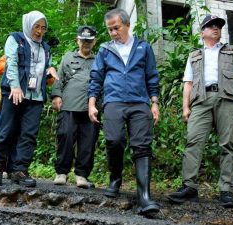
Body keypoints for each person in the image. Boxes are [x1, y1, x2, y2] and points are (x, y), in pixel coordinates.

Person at [167, 15, 233, 208]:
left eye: (218, 26)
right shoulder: (194, 55)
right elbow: (188, 83)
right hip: (200, 101)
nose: (216, 28)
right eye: (211, 26)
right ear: (202, 32)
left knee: (228, 144)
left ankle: (226, 190)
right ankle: (189, 188)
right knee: (193, 142)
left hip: (227, 99)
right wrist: (186, 107)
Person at [88, 8, 160, 215]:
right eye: (109, 29)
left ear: (127, 25)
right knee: (114, 140)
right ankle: (115, 178)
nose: (112, 33)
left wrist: (154, 103)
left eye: (116, 28)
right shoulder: (104, 49)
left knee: (142, 145)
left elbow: (152, 76)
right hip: (113, 102)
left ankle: (144, 197)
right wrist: (92, 104)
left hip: (139, 103)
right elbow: (96, 78)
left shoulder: (143, 47)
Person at [0, 10, 57, 188]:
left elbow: (45, 69)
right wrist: (15, 86)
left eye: (43, 28)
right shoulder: (15, 39)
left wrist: (51, 72)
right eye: (36, 26)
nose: (39, 31)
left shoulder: (46, 48)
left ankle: (19, 170)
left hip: (36, 97)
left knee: (28, 134)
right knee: (6, 130)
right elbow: (11, 63)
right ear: (28, 25)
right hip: (14, 93)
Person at [51, 25, 99, 189]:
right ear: (77, 40)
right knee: (65, 137)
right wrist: (56, 95)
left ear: (94, 42)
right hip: (69, 105)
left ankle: (82, 175)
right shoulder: (68, 57)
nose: (86, 43)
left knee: (88, 141)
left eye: (89, 40)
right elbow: (59, 78)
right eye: (83, 40)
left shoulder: (99, 60)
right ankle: (61, 172)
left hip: (91, 108)